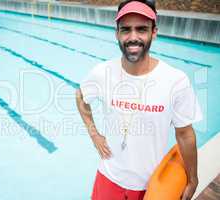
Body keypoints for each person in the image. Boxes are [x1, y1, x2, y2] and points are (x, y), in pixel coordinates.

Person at [75, 0, 202, 199]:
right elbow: (81, 96)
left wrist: (193, 179)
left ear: (154, 32)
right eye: (126, 29)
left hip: (151, 187)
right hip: (108, 179)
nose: (133, 37)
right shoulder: (102, 72)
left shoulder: (175, 81)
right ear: (117, 34)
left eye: (141, 29)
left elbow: (185, 134)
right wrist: (94, 134)